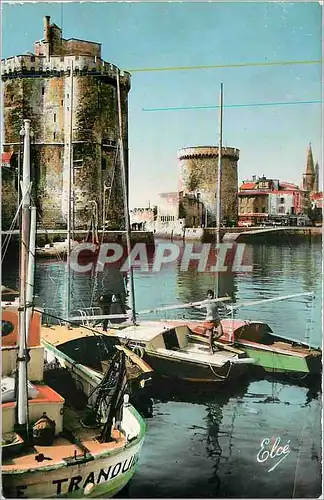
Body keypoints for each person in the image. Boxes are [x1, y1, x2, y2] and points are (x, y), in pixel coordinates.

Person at [196, 289, 225, 354]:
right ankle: (211, 348)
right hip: (209, 320)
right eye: (210, 295)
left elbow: (223, 305)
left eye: (212, 295)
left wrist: (225, 307)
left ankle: (212, 341)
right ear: (207, 296)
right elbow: (199, 307)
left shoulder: (216, 301)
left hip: (217, 319)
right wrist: (192, 306)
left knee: (221, 333)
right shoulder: (205, 302)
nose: (211, 297)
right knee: (210, 334)